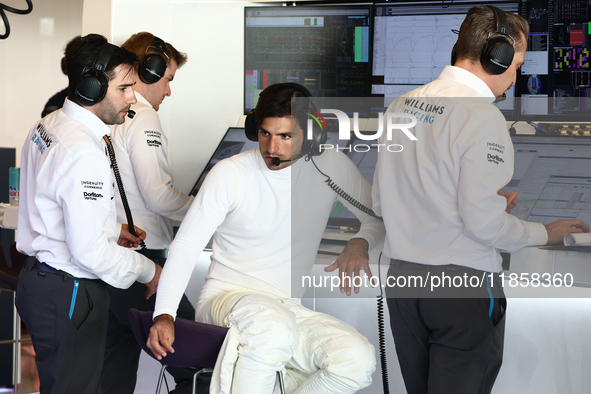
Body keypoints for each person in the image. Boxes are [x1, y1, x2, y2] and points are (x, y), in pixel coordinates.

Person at [372, 6, 590, 394]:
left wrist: (474, 202)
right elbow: (484, 226)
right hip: (461, 286)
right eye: (516, 64)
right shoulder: (482, 117)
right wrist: (545, 233)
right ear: (497, 56)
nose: (515, 77)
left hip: (403, 282)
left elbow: (383, 200)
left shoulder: (400, 105)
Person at [147, 83, 384, 393]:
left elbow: (378, 218)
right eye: (264, 134)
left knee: (356, 358)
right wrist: (165, 313)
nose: (272, 147)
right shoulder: (230, 173)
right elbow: (187, 245)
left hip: (285, 308)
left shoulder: (330, 165)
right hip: (226, 298)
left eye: (286, 136)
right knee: (271, 327)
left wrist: (360, 241)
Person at [16, 34, 162, 394]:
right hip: (69, 290)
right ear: (92, 87)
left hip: (42, 282)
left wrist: (112, 229)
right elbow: (90, 252)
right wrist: (149, 270)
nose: (133, 97)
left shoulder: (49, 125)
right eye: (125, 87)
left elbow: (56, 209)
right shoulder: (83, 151)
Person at [100, 32, 196, 394]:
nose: (168, 92)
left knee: (114, 372)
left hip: (109, 259)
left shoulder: (104, 113)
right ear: (149, 70)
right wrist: (206, 209)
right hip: (145, 259)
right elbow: (159, 197)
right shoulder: (142, 116)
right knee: (200, 365)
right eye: (168, 79)